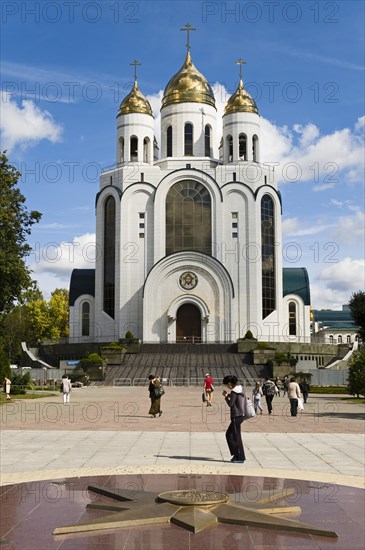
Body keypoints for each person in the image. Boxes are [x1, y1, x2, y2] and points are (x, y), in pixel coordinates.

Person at [222, 375, 246, 464]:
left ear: (229, 383)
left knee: (235, 436)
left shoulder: (234, 392)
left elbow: (231, 404)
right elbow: (236, 399)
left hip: (236, 416)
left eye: (227, 385)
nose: (227, 386)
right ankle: (236, 455)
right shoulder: (240, 389)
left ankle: (240, 456)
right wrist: (229, 395)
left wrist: (225, 397)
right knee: (230, 434)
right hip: (241, 415)